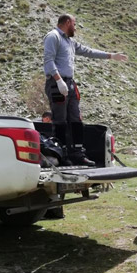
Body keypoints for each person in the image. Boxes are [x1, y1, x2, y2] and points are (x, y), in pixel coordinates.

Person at [43, 14, 127, 165]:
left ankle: (77, 154)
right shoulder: (53, 37)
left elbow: (88, 51)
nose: (75, 27)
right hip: (57, 83)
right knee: (60, 121)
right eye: (74, 24)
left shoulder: (70, 42)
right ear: (67, 22)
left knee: (75, 119)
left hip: (69, 84)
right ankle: (61, 155)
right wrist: (59, 81)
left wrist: (111, 56)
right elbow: (48, 60)